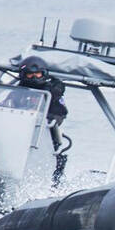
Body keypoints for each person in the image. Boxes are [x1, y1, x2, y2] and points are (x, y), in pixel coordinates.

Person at [16, 55, 69, 185]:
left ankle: (53, 184)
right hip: (19, 130)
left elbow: (61, 113)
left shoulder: (52, 91)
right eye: (30, 75)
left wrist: (48, 118)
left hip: (44, 134)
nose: (34, 78)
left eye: (38, 74)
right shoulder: (18, 91)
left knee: (57, 154)